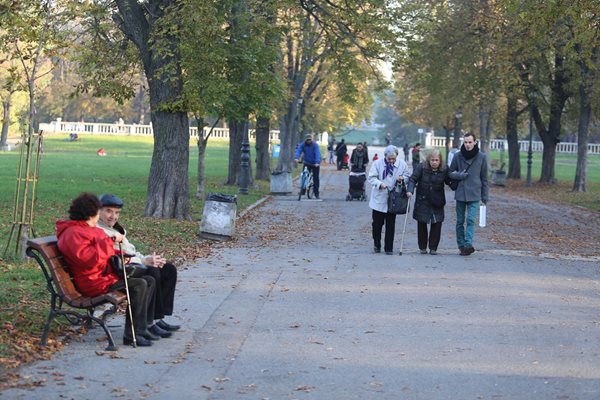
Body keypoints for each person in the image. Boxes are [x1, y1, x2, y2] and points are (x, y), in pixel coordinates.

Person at [56, 193, 157, 347]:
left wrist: (121, 255)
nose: (99, 216)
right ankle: (132, 334)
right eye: (98, 212)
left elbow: (104, 251)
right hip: (92, 282)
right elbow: (89, 261)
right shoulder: (73, 233)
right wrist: (111, 241)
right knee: (139, 284)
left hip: (104, 276)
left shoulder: (87, 229)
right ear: (90, 213)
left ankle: (141, 330)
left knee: (149, 279)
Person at [97, 194, 181, 336]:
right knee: (153, 272)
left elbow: (130, 251)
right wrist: (144, 262)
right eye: (109, 211)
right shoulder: (100, 231)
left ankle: (157, 318)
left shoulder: (115, 229)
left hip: (130, 265)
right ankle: (150, 323)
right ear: (98, 211)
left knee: (168, 269)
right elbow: (115, 257)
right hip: (117, 272)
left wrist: (146, 258)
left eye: (117, 212)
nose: (113, 216)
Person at [449, 132, 489, 256]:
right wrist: (459, 175)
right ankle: (461, 245)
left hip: (475, 193)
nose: (467, 145)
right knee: (460, 220)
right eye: (465, 142)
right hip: (461, 192)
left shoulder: (482, 157)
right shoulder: (457, 156)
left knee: (471, 219)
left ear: (475, 142)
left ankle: (468, 244)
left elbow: (484, 178)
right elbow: (450, 173)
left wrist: (485, 195)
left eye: (470, 142)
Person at [367, 145, 410, 255]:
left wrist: (402, 179)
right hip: (379, 198)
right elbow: (371, 177)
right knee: (377, 224)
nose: (391, 161)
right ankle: (377, 244)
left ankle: (389, 248)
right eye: (389, 159)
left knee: (390, 224)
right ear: (385, 156)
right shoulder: (377, 164)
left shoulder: (402, 164)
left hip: (394, 198)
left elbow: (407, 176)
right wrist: (379, 184)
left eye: (393, 159)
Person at [406, 149, 450, 255]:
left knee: (437, 224)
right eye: (432, 160)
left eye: (436, 160)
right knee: (422, 223)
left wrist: (458, 180)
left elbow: (450, 181)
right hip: (423, 199)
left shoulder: (444, 169)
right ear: (428, 160)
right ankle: (422, 247)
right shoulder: (422, 167)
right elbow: (413, 179)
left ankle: (433, 247)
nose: (434, 162)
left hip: (437, 200)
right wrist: (410, 190)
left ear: (440, 161)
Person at [294, 134, 322, 199]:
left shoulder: (315, 145)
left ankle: (316, 193)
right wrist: (296, 158)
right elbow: (298, 151)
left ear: (312, 140)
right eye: (307, 140)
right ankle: (302, 190)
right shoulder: (303, 144)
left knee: (315, 178)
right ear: (305, 140)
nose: (308, 141)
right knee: (304, 175)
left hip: (315, 163)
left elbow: (317, 153)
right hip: (307, 162)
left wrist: (317, 162)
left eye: (310, 140)